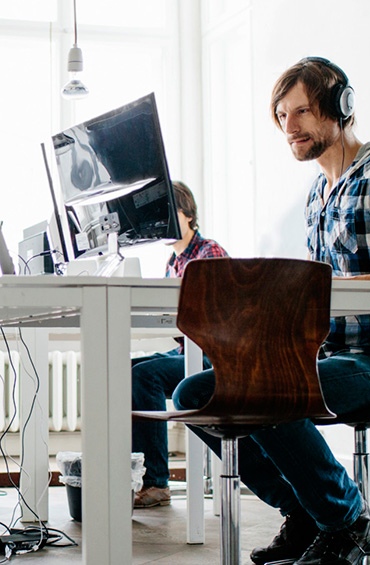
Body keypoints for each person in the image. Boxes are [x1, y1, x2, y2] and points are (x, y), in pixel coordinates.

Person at [172, 57, 370, 565]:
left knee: (267, 389)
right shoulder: (318, 194)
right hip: (331, 355)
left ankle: (346, 518)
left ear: (341, 109)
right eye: (281, 115)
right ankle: (310, 513)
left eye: (303, 112)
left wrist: (322, 288)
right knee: (195, 392)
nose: (289, 127)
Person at [131, 181, 227, 509]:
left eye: (170, 214)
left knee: (143, 376)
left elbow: (216, 316)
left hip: (214, 355)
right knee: (129, 369)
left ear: (188, 215)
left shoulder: (207, 252)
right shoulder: (174, 263)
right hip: (190, 349)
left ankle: (156, 481)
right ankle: (137, 473)